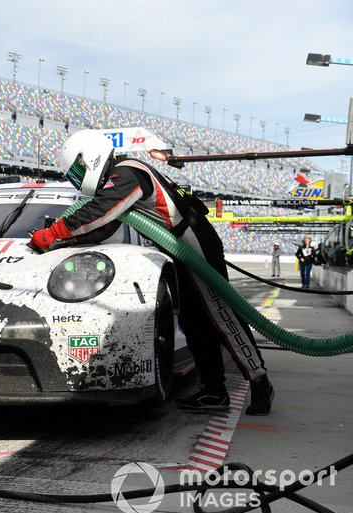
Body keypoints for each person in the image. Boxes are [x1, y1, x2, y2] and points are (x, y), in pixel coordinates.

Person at [29, 130, 274, 415]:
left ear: (90, 158)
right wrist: (63, 241)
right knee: (194, 321)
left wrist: (53, 233)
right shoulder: (119, 178)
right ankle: (214, 390)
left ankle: (260, 382)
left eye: (76, 171)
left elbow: (100, 213)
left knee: (221, 315)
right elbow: (105, 226)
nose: (76, 178)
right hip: (179, 247)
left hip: (193, 242)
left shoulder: (127, 173)